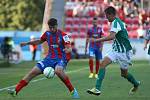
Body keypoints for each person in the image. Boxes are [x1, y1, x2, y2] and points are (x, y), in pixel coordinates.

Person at [7, 18, 79, 99]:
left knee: (58, 71)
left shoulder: (64, 35)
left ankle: (72, 91)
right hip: (48, 59)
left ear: (56, 25)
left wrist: (67, 50)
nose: (51, 29)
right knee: (32, 72)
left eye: (53, 27)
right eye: (50, 27)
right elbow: (39, 41)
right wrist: (27, 43)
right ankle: (15, 91)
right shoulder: (47, 34)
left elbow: (69, 48)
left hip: (61, 58)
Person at [87, 6, 140, 95]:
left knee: (124, 74)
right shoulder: (118, 22)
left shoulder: (116, 23)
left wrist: (96, 40)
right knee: (103, 63)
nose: (106, 18)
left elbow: (111, 36)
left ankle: (136, 83)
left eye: (107, 16)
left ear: (111, 14)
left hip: (124, 52)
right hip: (116, 49)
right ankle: (97, 88)